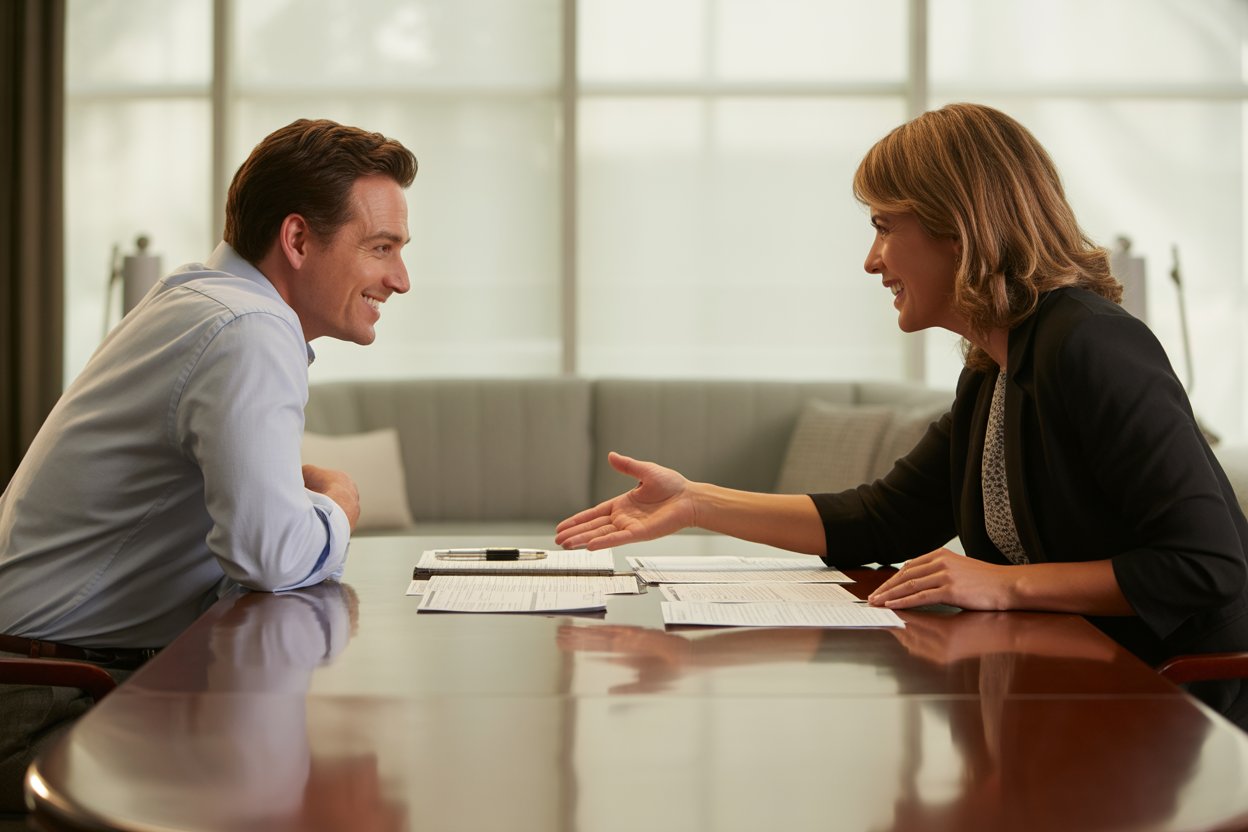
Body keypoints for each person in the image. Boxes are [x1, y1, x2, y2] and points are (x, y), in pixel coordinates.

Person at [555, 103, 1248, 714]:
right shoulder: (994, 371)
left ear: (960, 229)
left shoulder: (1092, 345)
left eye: (886, 227)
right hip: (1079, 685)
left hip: (1174, 703)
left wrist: (1002, 586)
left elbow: (1205, 565)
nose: (871, 260)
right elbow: (884, 518)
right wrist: (698, 502)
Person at [0, 118, 416, 809]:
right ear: (298, 240)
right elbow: (271, 556)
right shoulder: (249, 329)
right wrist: (339, 500)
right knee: (284, 793)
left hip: (55, 675)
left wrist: (289, 490)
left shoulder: (198, 298)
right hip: (48, 701)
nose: (399, 279)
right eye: (381, 248)